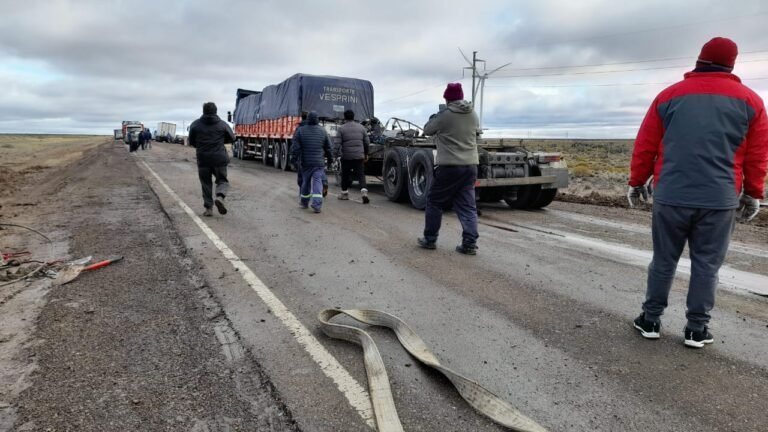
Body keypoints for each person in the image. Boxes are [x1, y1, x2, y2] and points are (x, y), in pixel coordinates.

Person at [630, 37, 768, 348]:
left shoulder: (669, 96)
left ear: (700, 59)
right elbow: (757, 155)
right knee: (707, 265)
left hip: (671, 195)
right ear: (732, 63)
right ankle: (696, 329)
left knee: (664, 260)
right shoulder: (751, 101)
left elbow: (646, 145)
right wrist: (753, 193)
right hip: (719, 200)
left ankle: (650, 320)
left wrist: (637, 181)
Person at [417, 83, 481, 255]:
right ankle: (469, 243)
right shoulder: (473, 113)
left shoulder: (445, 115)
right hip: (470, 166)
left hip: (451, 166)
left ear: (447, 98)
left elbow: (427, 130)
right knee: (467, 206)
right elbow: (477, 133)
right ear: (461, 97)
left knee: (434, 201)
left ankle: (430, 239)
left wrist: (433, 118)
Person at [188, 102, 236, 217]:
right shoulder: (222, 124)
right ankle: (220, 197)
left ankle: (208, 209)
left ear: (203, 111)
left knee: (206, 183)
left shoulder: (195, 124)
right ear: (216, 111)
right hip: (219, 159)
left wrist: (200, 145)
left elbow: (191, 141)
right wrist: (221, 141)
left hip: (203, 159)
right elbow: (232, 138)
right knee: (222, 181)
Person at [290, 111, 333, 213]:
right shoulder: (323, 131)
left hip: (306, 163)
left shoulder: (300, 131)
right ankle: (317, 204)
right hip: (319, 163)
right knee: (317, 181)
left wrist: (293, 160)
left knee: (306, 182)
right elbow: (329, 148)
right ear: (317, 119)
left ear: (307, 119)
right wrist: (330, 160)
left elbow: (295, 148)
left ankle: (304, 202)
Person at [336, 110, 371, 203]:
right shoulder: (361, 128)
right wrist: (366, 153)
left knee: (345, 175)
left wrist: (335, 155)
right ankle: (364, 192)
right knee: (361, 175)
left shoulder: (341, 128)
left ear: (345, 117)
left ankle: (344, 194)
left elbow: (337, 144)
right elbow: (367, 142)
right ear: (353, 117)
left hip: (346, 156)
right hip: (359, 156)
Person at [293, 111, 329, 197]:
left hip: (304, 159)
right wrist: (330, 159)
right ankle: (323, 183)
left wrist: (294, 159)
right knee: (319, 173)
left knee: (304, 178)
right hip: (318, 158)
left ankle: (303, 194)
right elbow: (328, 146)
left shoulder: (300, 129)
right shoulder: (322, 129)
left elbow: (295, 146)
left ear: (302, 118)